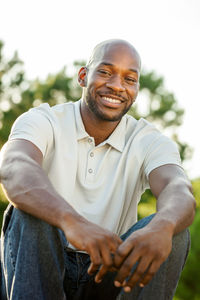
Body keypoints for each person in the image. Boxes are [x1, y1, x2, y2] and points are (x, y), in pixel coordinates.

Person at [0, 39, 196, 300]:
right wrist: (71, 221)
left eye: (129, 79)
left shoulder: (149, 139)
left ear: (137, 89)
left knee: (172, 230)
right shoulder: (43, 119)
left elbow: (178, 187)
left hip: (109, 273)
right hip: (37, 267)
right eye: (105, 72)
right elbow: (14, 166)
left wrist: (164, 225)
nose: (116, 85)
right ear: (83, 76)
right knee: (29, 211)